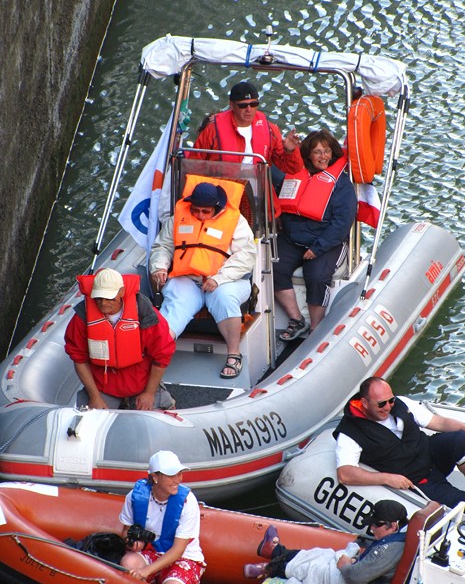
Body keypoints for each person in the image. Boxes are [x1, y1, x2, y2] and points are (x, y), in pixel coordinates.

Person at [150, 179, 256, 379]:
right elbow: (162, 246)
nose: (199, 215)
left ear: (217, 208)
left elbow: (246, 257)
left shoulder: (236, 221)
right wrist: (159, 267)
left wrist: (219, 278)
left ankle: (234, 354)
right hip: (187, 279)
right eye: (195, 210)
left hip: (226, 280)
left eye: (205, 212)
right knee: (175, 306)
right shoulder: (178, 217)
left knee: (225, 298)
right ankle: (155, 357)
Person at [273, 128, 357, 339]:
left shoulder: (341, 184)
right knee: (273, 268)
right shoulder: (295, 174)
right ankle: (296, 320)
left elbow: (342, 223)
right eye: (317, 152)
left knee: (317, 276)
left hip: (326, 242)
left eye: (327, 151)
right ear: (308, 154)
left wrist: (317, 248)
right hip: (293, 238)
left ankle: (315, 329)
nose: (323, 156)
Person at [334, 375, 465, 508]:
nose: (388, 407)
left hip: (430, 453)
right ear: (365, 403)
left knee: (460, 439)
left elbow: (439, 422)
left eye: (391, 400)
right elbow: (345, 474)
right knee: (458, 500)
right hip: (415, 479)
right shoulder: (350, 431)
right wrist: (387, 478)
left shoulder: (401, 404)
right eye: (381, 404)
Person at [64, 268, 175, 410]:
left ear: (121, 292)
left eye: (109, 298)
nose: (103, 303)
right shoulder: (82, 317)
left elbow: (162, 354)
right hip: (104, 387)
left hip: (141, 383)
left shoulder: (144, 313)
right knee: (87, 418)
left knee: (162, 412)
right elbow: (79, 358)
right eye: (99, 298)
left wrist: (149, 393)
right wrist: (94, 396)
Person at [244, 499, 408, 584]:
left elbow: (356, 577)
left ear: (393, 526)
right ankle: (274, 553)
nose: (372, 528)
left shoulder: (391, 549)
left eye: (376, 524)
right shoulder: (394, 541)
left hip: (351, 581)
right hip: (356, 573)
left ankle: (271, 567)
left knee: (314, 569)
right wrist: (353, 560)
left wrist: (345, 565)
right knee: (322, 554)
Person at [119, 450, 206, 584]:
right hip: (152, 552)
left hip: (183, 557)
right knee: (128, 562)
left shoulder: (187, 501)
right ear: (155, 477)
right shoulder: (134, 497)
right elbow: (126, 530)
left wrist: (146, 571)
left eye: (179, 473)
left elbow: (178, 550)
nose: (178, 480)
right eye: (171, 475)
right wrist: (131, 543)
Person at [189, 81, 302, 174]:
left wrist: (290, 151)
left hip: (257, 188)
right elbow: (193, 165)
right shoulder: (213, 129)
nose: (249, 110)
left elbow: (292, 169)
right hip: (222, 187)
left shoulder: (271, 130)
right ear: (232, 105)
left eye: (253, 104)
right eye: (243, 105)